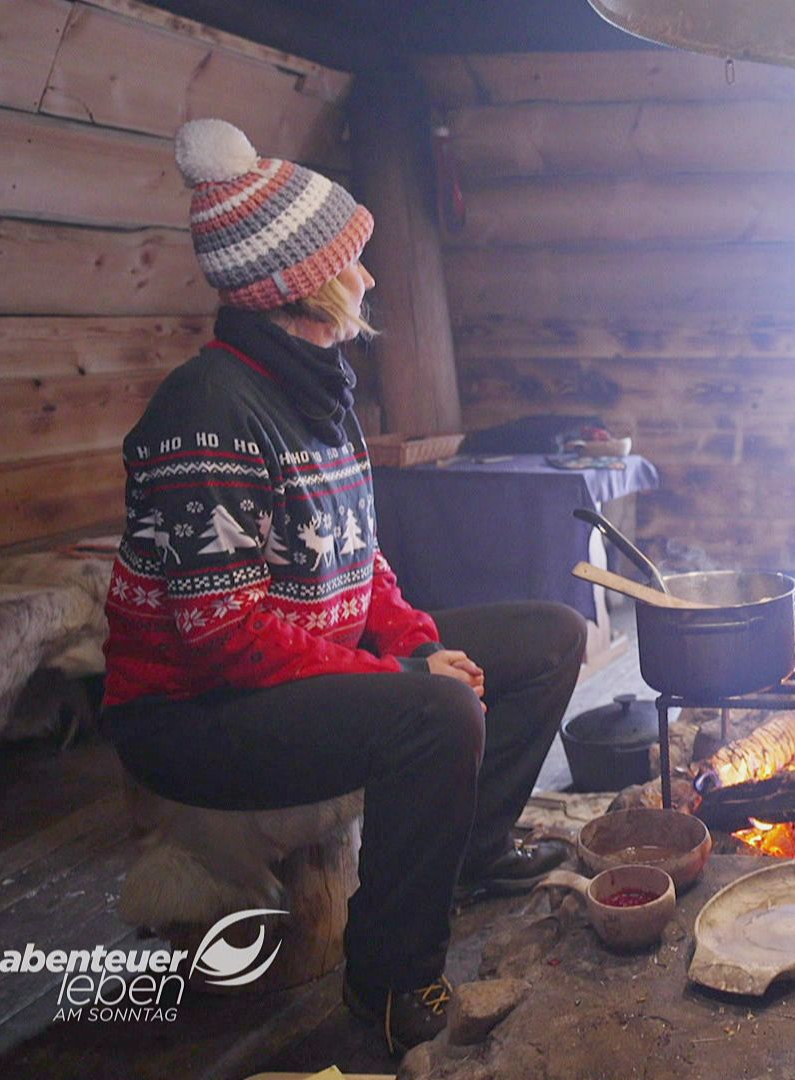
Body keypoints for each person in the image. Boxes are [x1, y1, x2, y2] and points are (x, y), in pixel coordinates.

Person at [101, 119, 586, 1055]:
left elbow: (362, 560)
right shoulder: (208, 412)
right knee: (437, 715)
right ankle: (393, 985)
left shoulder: (316, 386)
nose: (366, 277)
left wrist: (413, 643)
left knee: (552, 636)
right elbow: (221, 636)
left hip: (302, 660)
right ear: (307, 283)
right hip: (193, 714)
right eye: (351, 261)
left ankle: (472, 854)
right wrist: (402, 680)